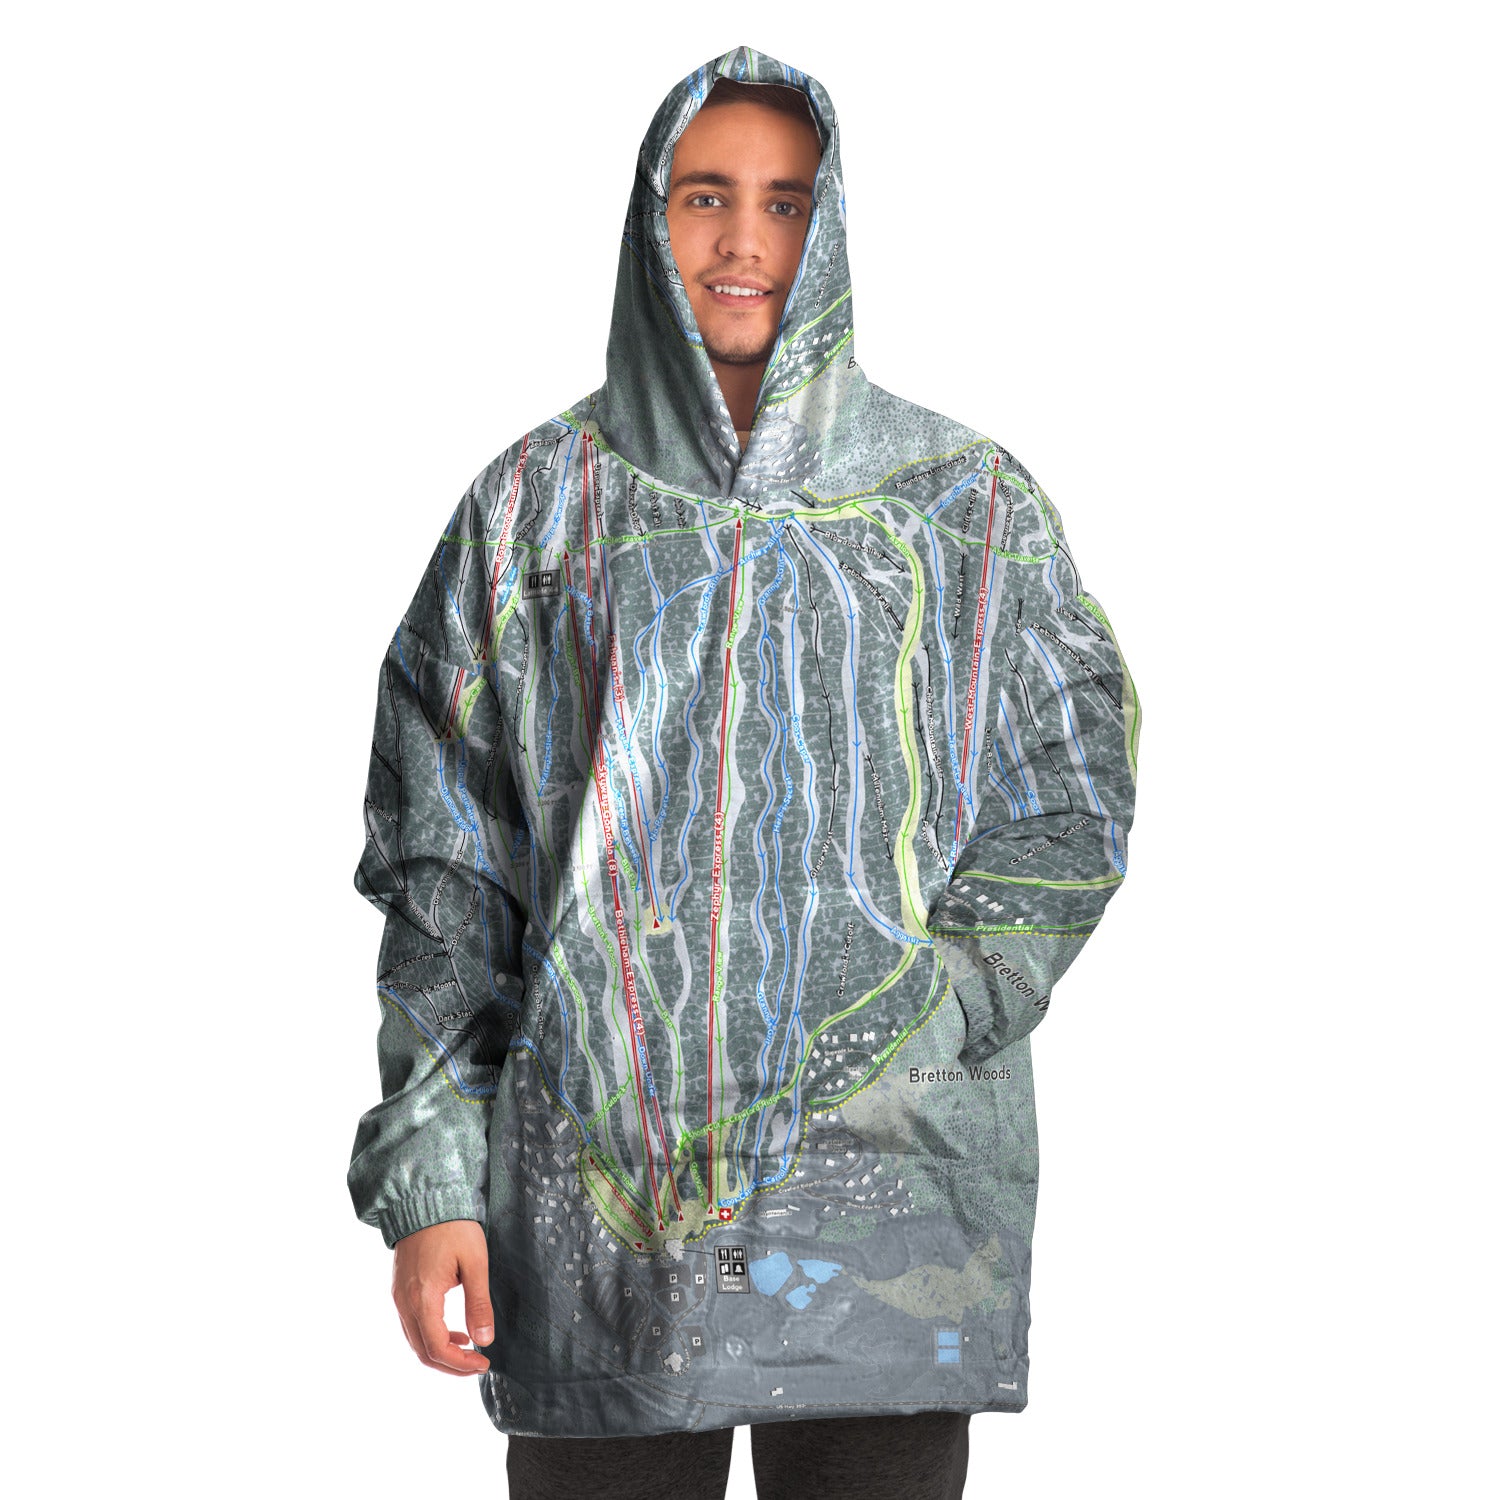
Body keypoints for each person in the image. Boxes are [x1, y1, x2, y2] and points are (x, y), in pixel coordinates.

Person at [347, 43, 1140, 1500]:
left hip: (890, 1199)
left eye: (786, 203)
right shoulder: (535, 509)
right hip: (598, 1204)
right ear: (650, 218)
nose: (743, 240)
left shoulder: (961, 505)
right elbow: (447, 869)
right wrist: (433, 1179)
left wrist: (952, 1003)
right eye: (706, 195)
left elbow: (1070, 787)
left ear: (829, 233)